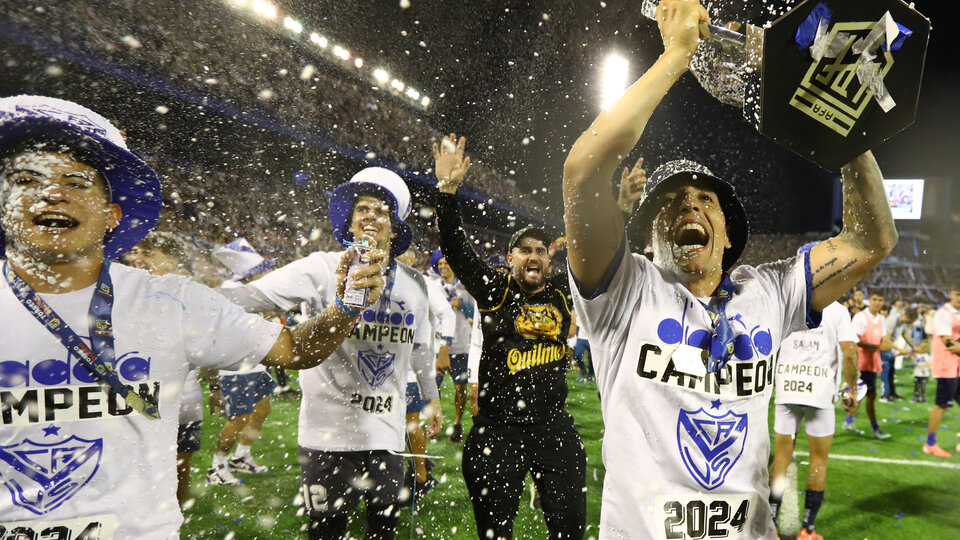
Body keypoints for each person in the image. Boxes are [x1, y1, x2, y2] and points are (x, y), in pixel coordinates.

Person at [560, 0, 897, 537]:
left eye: (705, 199)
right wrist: (676, 55)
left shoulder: (769, 291)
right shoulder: (622, 290)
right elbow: (583, 171)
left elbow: (871, 240)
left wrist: (841, 126)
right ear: (647, 233)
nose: (689, 206)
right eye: (671, 201)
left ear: (727, 229)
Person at [0, 95, 386, 539]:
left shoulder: (170, 301)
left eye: (77, 182)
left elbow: (296, 350)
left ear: (112, 216)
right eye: (26, 179)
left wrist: (346, 306)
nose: (51, 193)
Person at [220, 166, 442, 540]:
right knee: (325, 532)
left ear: (395, 228)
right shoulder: (321, 267)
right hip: (326, 437)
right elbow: (248, 298)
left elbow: (420, 347)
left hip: (387, 435)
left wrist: (432, 398)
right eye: (362, 208)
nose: (370, 216)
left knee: (383, 532)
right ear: (350, 223)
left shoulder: (416, 284)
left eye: (381, 210)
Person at [433, 134, 586, 540]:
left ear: (549, 261)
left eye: (540, 251)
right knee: (494, 533)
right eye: (524, 250)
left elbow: (601, 259)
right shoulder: (495, 289)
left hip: (553, 427)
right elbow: (455, 248)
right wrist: (447, 191)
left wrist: (619, 208)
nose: (533, 255)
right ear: (510, 258)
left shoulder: (562, 291)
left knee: (570, 529)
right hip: (498, 430)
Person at [769, 244, 860, 540]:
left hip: (787, 387)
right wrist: (851, 390)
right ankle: (807, 529)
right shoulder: (837, 310)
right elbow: (850, 353)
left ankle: (770, 523)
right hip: (819, 391)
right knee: (818, 461)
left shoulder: (784, 304)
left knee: (781, 459)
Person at [123, 231, 204, 505]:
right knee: (132, 468)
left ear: (171, 262)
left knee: (180, 466)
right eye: (135, 251)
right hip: (132, 398)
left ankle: (174, 519)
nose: (136, 258)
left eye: (147, 253)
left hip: (181, 400)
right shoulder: (116, 293)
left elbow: (206, 347)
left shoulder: (188, 296)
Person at [429, 248, 476, 442]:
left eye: (446, 263)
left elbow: (475, 314)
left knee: (460, 388)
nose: (443, 266)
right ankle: (434, 423)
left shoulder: (466, 287)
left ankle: (457, 423)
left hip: (460, 346)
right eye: (440, 263)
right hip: (438, 347)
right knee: (433, 388)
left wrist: (462, 305)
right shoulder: (433, 287)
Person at [844, 290, 894, 438]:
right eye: (875, 299)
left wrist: (889, 345)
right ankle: (875, 429)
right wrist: (875, 346)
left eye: (880, 300)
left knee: (863, 395)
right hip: (861, 362)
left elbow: (884, 338)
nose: (877, 302)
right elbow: (855, 338)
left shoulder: (881, 318)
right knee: (867, 395)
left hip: (872, 363)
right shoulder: (861, 317)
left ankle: (849, 422)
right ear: (869, 300)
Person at [922, 283, 960, 457]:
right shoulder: (943, 313)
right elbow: (949, 343)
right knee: (941, 405)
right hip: (946, 366)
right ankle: (930, 444)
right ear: (951, 293)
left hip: (957, 366)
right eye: (958, 294)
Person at [880, 303, 917, 402]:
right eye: (911, 321)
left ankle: (892, 393)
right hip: (883, 347)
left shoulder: (903, 322)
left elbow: (905, 335)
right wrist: (900, 350)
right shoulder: (892, 320)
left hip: (890, 347)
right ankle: (884, 396)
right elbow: (886, 339)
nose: (910, 323)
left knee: (891, 372)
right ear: (907, 317)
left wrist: (914, 347)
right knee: (886, 372)